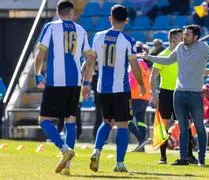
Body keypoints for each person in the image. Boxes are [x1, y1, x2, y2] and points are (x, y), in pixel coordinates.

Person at [139, 24, 209, 166]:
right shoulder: (180, 48)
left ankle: (201, 159)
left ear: (195, 37)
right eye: (184, 34)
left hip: (195, 94)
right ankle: (183, 158)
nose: (184, 37)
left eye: (187, 35)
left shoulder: (202, 47)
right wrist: (150, 57)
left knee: (199, 127)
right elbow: (167, 60)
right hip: (178, 94)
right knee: (183, 129)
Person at [34, 0, 94, 174]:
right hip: (75, 81)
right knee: (70, 121)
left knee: (44, 120)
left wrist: (38, 74)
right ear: (72, 12)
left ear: (58, 11)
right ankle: (67, 167)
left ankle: (64, 149)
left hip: (56, 80)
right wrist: (87, 81)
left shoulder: (51, 27)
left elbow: (41, 52)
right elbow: (90, 58)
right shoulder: (81, 30)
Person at [86, 5, 146, 173]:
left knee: (107, 122)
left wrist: (85, 81)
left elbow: (90, 61)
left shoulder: (98, 37)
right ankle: (119, 163)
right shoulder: (128, 40)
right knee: (122, 125)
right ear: (126, 21)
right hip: (121, 88)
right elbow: (135, 66)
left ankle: (96, 150)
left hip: (102, 88)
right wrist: (141, 84)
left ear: (110, 18)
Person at [150, 28, 198, 165]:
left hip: (181, 92)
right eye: (181, 39)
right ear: (173, 41)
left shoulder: (184, 55)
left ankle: (189, 155)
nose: (184, 41)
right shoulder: (163, 56)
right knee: (163, 125)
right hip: (165, 93)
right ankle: (163, 157)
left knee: (186, 124)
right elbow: (153, 77)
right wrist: (154, 95)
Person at [128, 47, 151, 152]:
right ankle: (142, 147)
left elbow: (132, 82)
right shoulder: (145, 65)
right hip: (145, 97)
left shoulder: (135, 64)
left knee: (125, 119)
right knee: (140, 121)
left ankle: (142, 139)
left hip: (135, 96)